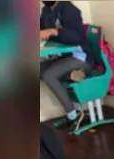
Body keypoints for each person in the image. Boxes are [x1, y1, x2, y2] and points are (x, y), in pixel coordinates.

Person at [40, 1, 94, 131]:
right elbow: (42, 31)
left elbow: (77, 36)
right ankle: (72, 75)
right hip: (63, 56)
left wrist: (55, 32)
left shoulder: (69, 9)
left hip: (81, 57)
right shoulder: (46, 11)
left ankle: (73, 116)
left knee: (48, 75)